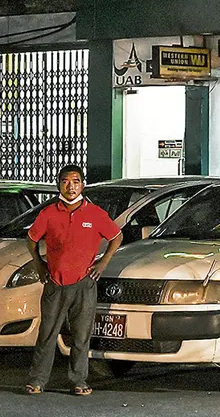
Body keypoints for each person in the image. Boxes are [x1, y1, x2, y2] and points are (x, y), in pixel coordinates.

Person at [25, 165, 124, 396]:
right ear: (58, 184)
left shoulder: (95, 214)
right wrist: (40, 264)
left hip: (84, 284)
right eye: (66, 181)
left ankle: (79, 380)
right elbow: (31, 240)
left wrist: (102, 263)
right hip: (55, 284)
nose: (71, 186)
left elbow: (116, 237)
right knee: (47, 333)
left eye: (76, 181)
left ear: (83, 184)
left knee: (81, 335)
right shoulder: (48, 213)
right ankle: (37, 380)